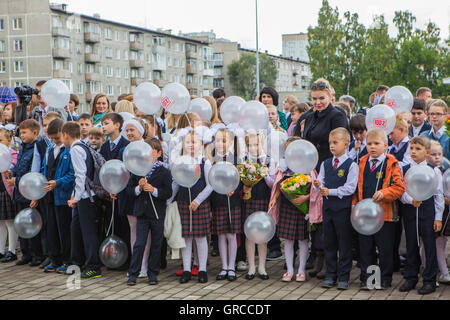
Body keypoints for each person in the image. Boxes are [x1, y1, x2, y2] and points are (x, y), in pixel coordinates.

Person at [353, 128, 405, 290]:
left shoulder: (392, 163)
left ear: (385, 144)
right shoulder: (361, 162)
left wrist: (384, 193)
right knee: (366, 248)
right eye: (369, 144)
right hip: (365, 215)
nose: (372, 147)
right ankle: (367, 278)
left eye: (376, 144)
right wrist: (355, 204)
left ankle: (384, 278)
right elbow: (356, 188)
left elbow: (399, 187)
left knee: (385, 248)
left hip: (385, 215)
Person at [314, 128, 358, 290]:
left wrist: (330, 191)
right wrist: (319, 185)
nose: (332, 146)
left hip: (343, 210)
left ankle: (343, 276)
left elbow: (350, 188)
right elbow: (321, 180)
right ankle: (330, 274)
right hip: (328, 209)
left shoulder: (351, 165)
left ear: (346, 144)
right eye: (330, 142)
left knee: (344, 243)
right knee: (329, 242)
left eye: (335, 142)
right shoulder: (326, 163)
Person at [398, 136, 444, 295]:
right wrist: (411, 200)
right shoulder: (404, 170)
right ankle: (411, 277)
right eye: (411, 148)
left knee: (429, 246)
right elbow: (401, 192)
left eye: (418, 149)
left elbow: (438, 195)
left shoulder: (433, 171)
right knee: (411, 245)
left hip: (428, 214)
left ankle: (430, 279)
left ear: (427, 152)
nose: (413, 152)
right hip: (410, 213)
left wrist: (438, 217)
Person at [126, 138, 172, 286]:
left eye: (152, 151)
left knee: (157, 244)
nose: (148, 154)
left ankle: (153, 273)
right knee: (139, 243)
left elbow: (168, 192)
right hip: (142, 213)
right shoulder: (137, 170)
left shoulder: (163, 171)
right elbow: (129, 191)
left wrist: (154, 190)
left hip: (157, 213)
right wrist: (139, 188)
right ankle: (133, 273)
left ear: (158, 153)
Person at [172, 130, 213, 284]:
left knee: (200, 237)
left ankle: (202, 269)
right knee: (186, 238)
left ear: (201, 144)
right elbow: (176, 183)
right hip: (183, 202)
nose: (191, 145)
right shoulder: (180, 162)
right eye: (188, 142)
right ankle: (187, 269)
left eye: (194, 142)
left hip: (198, 204)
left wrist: (198, 200)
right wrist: (169, 200)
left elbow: (210, 185)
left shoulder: (205, 163)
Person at [268, 136, 310, 282]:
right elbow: (279, 184)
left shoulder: (307, 165)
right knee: (288, 239)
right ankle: (290, 269)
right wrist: (275, 197)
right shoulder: (284, 166)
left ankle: (301, 270)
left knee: (303, 239)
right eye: (286, 149)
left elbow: (314, 186)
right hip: (287, 205)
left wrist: (305, 198)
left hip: (301, 206)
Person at [64, 122, 102, 279]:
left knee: (88, 232)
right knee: (76, 229)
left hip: (86, 197)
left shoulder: (76, 149)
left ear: (65, 135)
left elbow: (80, 175)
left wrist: (76, 198)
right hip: (84, 195)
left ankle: (94, 266)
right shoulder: (83, 146)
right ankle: (78, 261)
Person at [7, 119, 44, 266]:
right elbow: (20, 165)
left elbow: (31, 172)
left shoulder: (36, 148)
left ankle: (36, 254)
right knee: (21, 221)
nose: (21, 135)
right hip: (19, 193)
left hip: (29, 192)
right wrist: (12, 171)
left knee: (31, 222)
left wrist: (16, 180)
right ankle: (26, 253)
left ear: (34, 132)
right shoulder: (23, 148)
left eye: (24, 132)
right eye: (20, 132)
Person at [40, 118, 74, 274]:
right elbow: (44, 169)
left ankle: (67, 260)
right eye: (52, 138)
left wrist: (58, 182)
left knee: (64, 230)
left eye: (57, 138)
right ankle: (55, 258)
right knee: (51, 228)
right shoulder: (49, 149)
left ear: (64, 134)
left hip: (63, 195)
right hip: (49, 195)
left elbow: (72, 174)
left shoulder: (69, 150)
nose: (55, 141)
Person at [208, 129, 243, 282]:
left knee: (232, 234)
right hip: (217, 202)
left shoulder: (236, 160)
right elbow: (209, 183)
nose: (221, 144)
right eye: (218, 140)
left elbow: (241, 181)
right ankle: (224, 266)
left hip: (233, 202)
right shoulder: (211, 161)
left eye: (224, 141)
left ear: (230, 143)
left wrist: (234, 190)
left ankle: (231, 267)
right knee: (221, 235)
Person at [293, 79, 349, 171]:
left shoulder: (337, 116)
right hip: (310, 166)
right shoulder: (309, 117)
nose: (317, 102)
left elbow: (340, 146)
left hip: (329, 167)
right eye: (314, 99)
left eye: (322, 98)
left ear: (330, 97)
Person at [241, 132, 275, 280]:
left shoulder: (268, 160)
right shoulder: (244, 161)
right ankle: (251, 267)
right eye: (251, 145)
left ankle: (262, 266)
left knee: (262, 233)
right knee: (249, 233)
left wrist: (264, 173)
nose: (254, 148)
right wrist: (245, 187)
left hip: (263, 198)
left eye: (256, 144)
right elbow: (240, 181)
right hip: (249, 199)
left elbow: (272, 184)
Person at [428, 141, 450, 284]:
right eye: (433, 154)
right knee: (431, 243)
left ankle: (441, 271)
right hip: (432, 210)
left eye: (439, 155)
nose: (437, 157)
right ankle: (438, 272)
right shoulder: (429, 171)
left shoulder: (444, 169)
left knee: (441, 242)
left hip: (444, 212)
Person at [0, 128, 18, 263]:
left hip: (7, 192)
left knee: (10, 222)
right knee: (1, 223)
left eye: (0, 140)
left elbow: (13, 168)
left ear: (8, 140)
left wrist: (9, 170)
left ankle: (12, 250)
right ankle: (1, 250)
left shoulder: (12, 154)